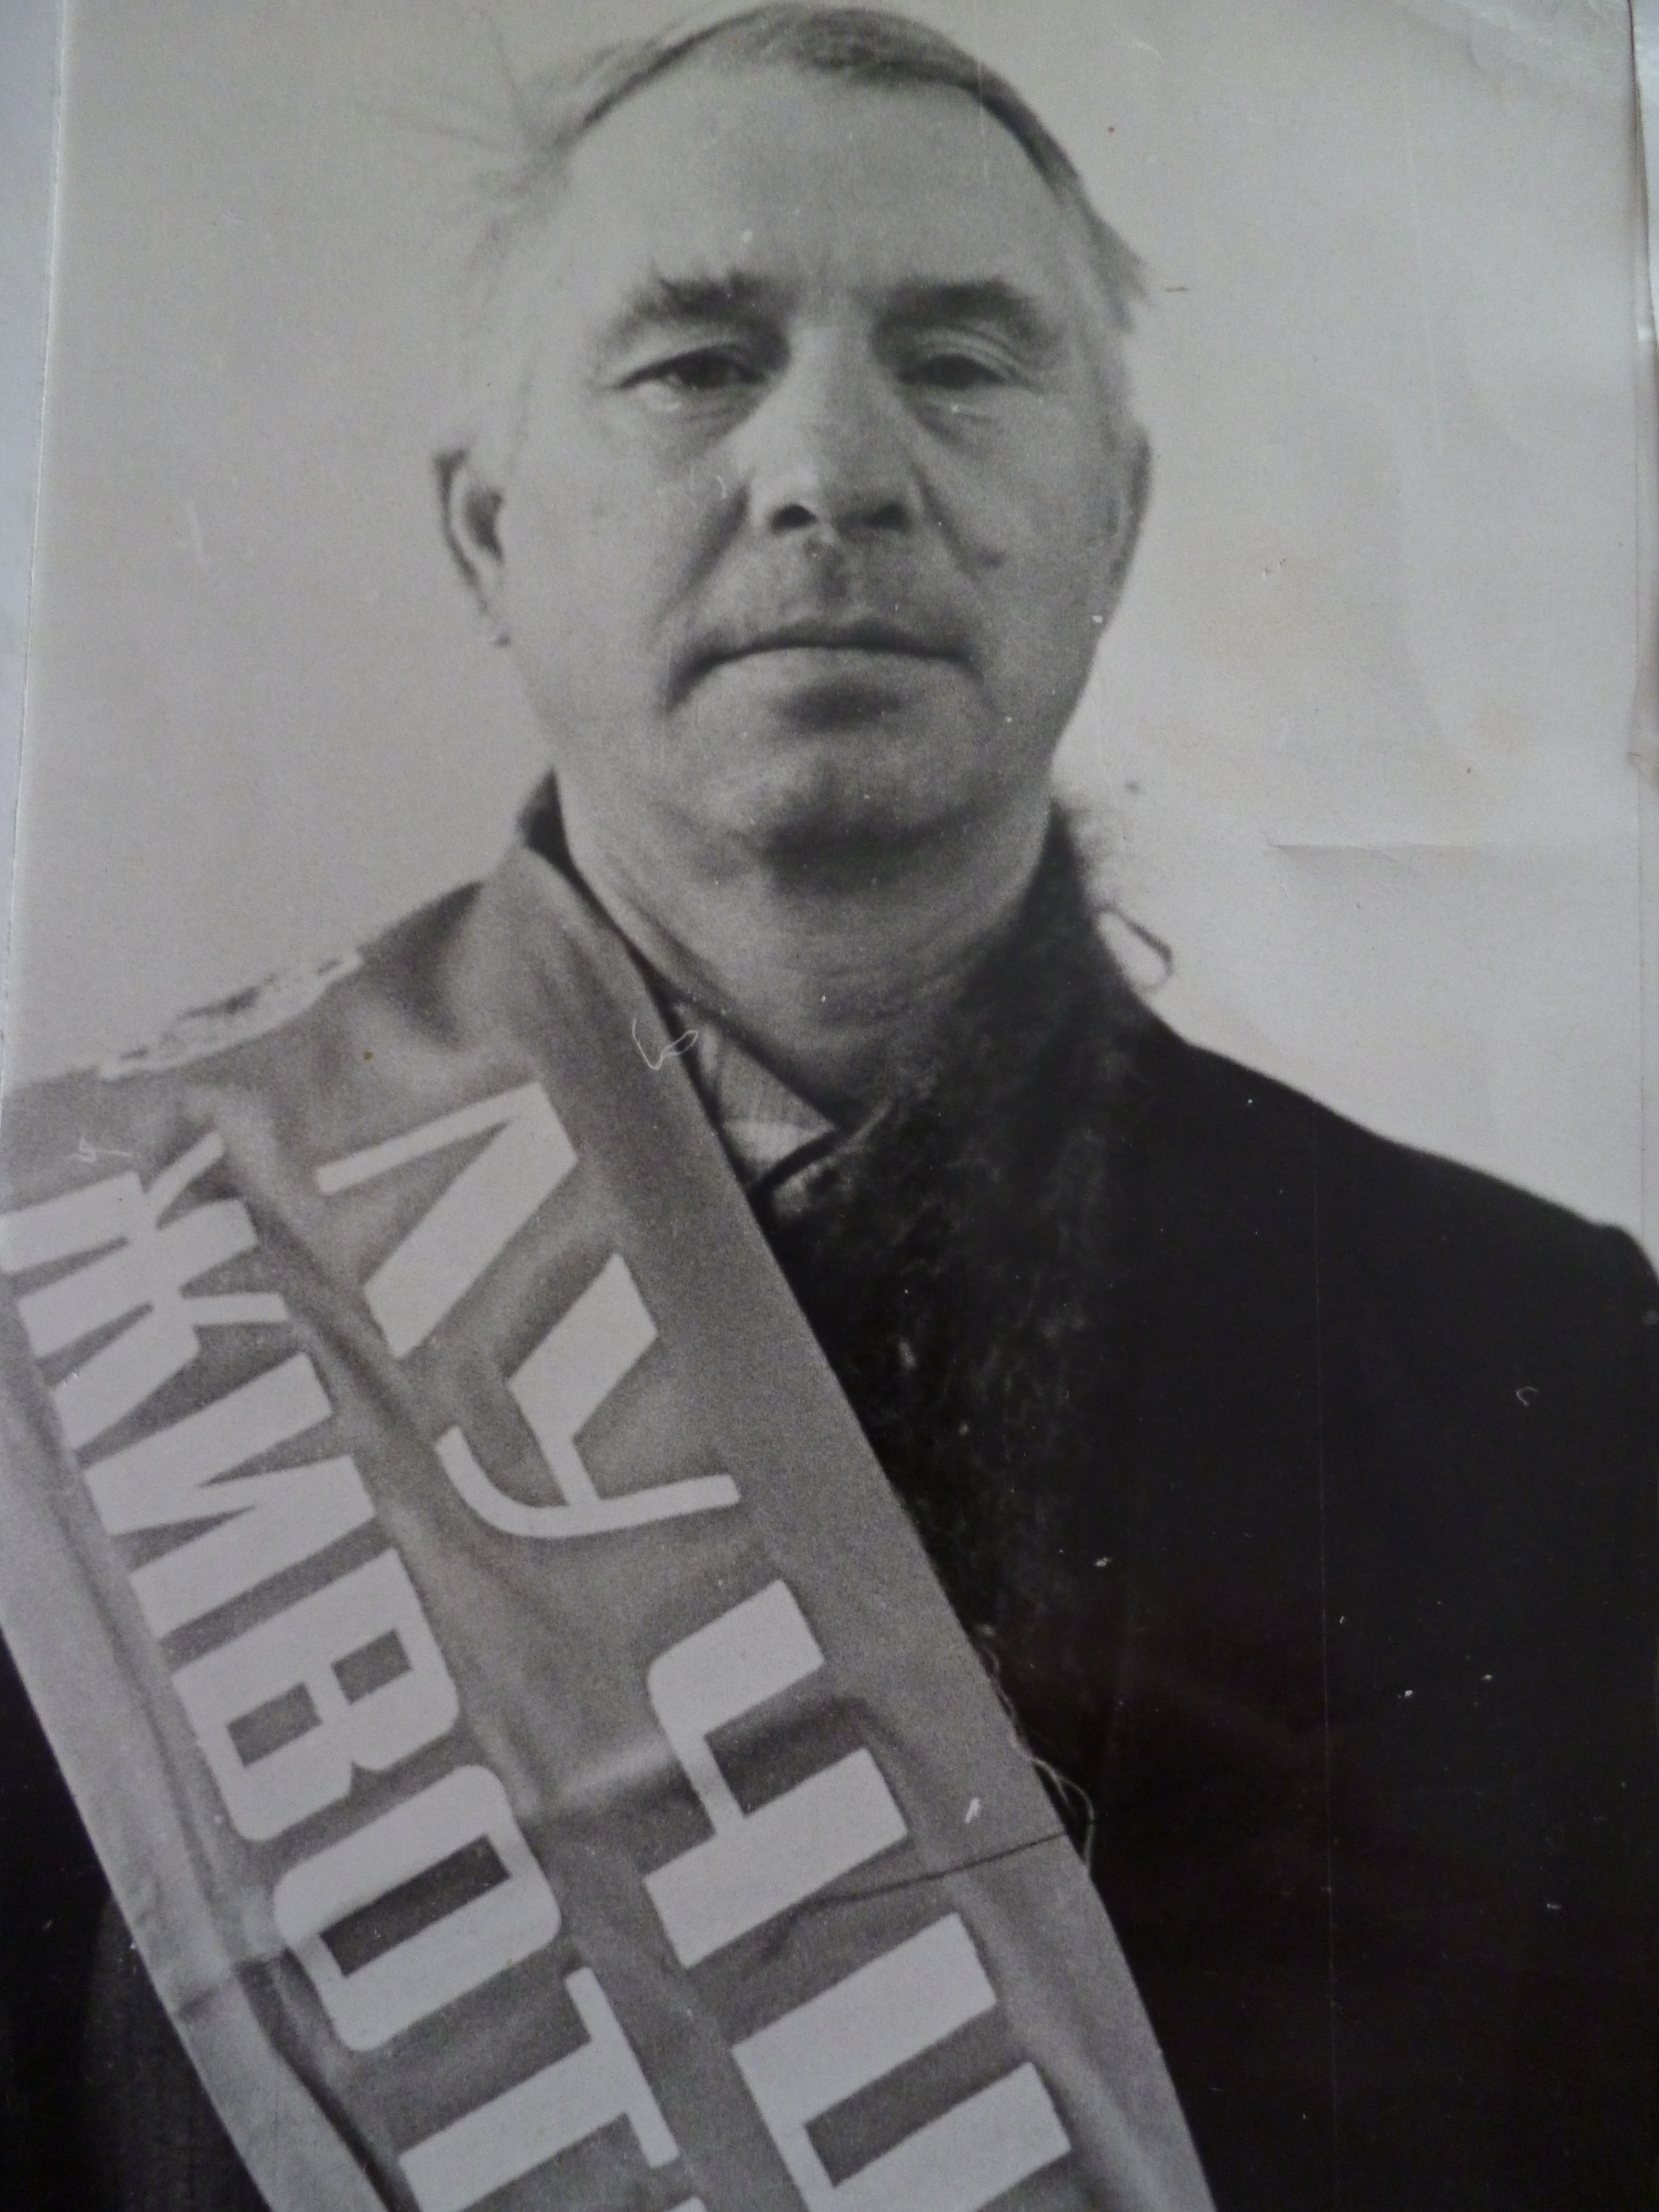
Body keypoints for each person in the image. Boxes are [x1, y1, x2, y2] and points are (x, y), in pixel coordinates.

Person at [1, 9, 1654, 2210]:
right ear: (487, 533)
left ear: (1116, 522)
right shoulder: (107, 1303)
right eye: (697, 363)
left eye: (960, 363)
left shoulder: (1542, 1357)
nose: (833, 472)